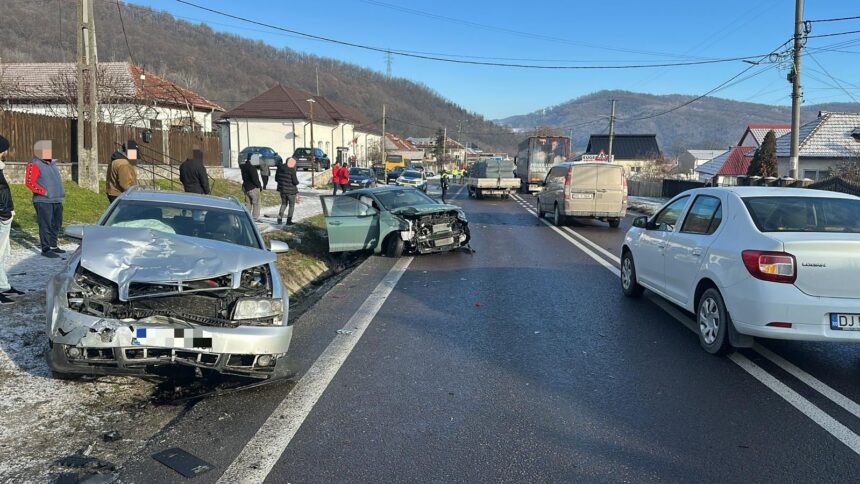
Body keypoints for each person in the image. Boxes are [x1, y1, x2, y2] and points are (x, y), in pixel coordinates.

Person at [25, 140, 65, 258]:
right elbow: (29, 182)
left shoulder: (53, 164)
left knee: (56, 224)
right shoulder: (34, 164)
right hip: (43, 201)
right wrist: (44, 192)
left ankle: (53, 245)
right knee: (45, 225)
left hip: (57, 199)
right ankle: (46, 249)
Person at [0, 135, 23, 305]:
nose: (7, 152)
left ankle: (3, 285)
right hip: (2, 216)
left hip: (4, 215)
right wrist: (4, 213)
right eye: (5, 149)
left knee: (2, 254)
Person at [276, 157, 300, 225]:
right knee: (291, 205)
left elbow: (276, 179)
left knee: (283, 204)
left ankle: (279, 218)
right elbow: (295, 182)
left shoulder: (279, 168)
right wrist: (297, 182)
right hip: (291, 191)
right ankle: (289, 221)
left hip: (282, 190)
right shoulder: (292, 170)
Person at [241, 153, 262, 220]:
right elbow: (255, 179)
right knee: (256, 203)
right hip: (253, 187)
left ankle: (247, 217)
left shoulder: (244, 166)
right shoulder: (251, 167)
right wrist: (259, 186)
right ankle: (255, 218)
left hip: (246, 187)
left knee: (248, 203)